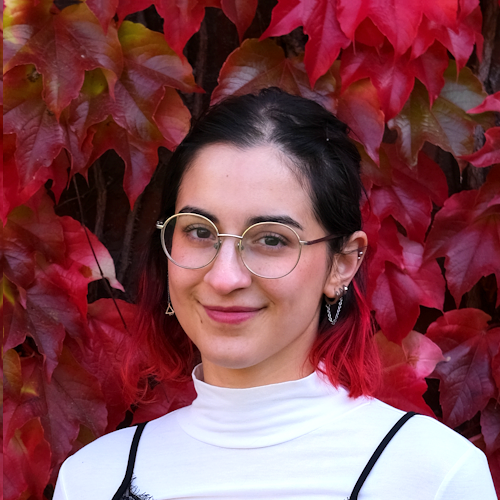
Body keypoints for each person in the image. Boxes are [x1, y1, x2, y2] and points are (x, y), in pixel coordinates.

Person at [54, 88, 496, 500]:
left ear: (342, 263)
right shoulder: (93, 480)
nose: (224, 278)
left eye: (271, 239)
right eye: (199, 232)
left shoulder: (434, 476)